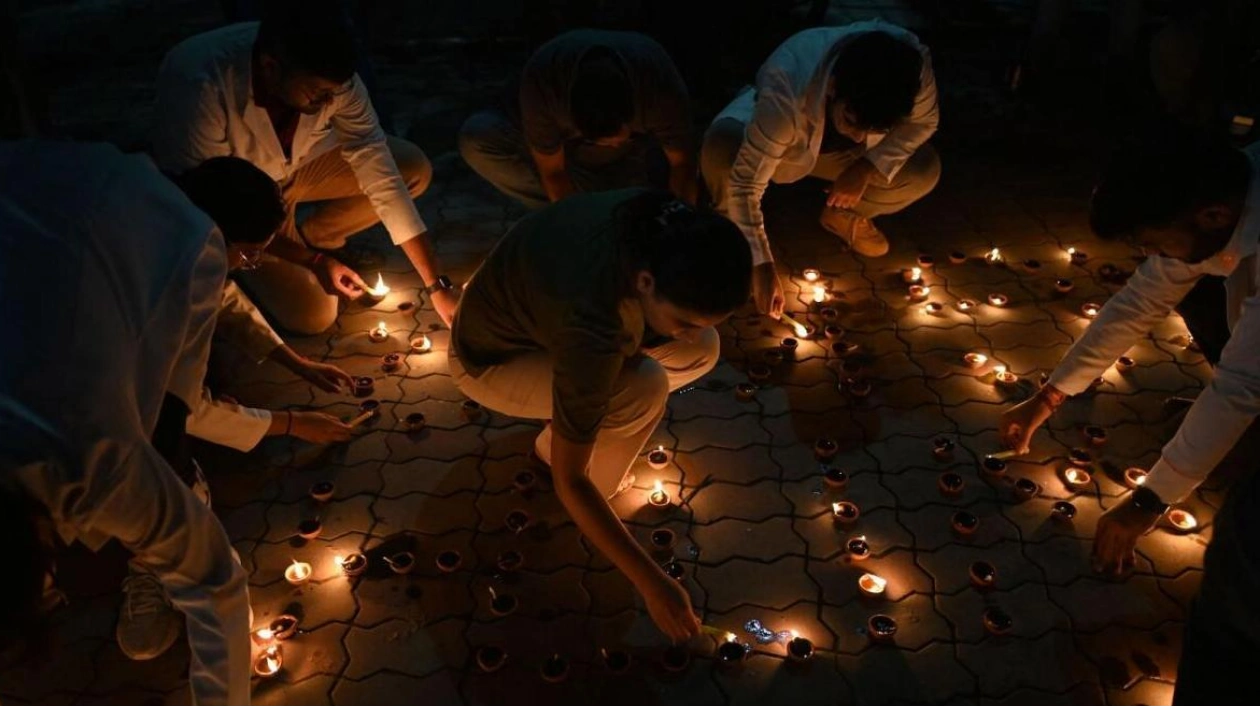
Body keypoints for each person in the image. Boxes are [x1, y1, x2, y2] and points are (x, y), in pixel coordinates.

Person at [997, 131, 1260, 704]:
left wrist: (1147, 502)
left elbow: (1243, 383)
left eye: (1150, 241)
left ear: (1213, 214)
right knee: (1195, 291)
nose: (1149, 256)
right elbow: (1139, 303)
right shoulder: (1219, 208)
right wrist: (1049, 397)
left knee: (1243, 565)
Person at [0, 141, 249, 705]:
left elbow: (215, 583)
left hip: (137, 217)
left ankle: (176, 489)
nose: (56, 593)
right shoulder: (81, 457)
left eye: (46, 590)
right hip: (44, 188)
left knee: (166, 414)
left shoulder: (90, 461)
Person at [448, 189, 752, 640]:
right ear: (646, 282)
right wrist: (653, 583)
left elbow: (681, 329)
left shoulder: (663, 224)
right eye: (685, 319)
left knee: (702, 350)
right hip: (491, 359)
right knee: (643, 388)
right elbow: (571, 482)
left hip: (543, 318)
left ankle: (570, 421)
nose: (688, 333)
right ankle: (550, 450)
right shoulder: (594, 321)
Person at [113, 156, 358, 665]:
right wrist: (293, 423)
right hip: (86, 379)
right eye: (248, 254)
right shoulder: (160, 281)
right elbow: (185, 408)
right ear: (214, 231)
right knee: (153, 460)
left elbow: (223, 297)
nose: (248, 267)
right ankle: (156, 555)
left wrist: (296, 362)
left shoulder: (180, 229)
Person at [153, 0, 458, 335]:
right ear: (271, 67)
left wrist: (435, 285)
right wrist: (311, 262)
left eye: (335, 92)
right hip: (242, 203)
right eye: (318, 94)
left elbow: (379, 168)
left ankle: (317, 237)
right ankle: (255, 264)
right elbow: (212, 208)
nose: (330, 103)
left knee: (410, 167)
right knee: (314, 316)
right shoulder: (200, 83)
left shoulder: (336, 81)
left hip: (299, 170)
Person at [701, 20, 940, 318]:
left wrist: (867, 166)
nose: (859, 137)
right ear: (833, 86)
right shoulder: (788, 84)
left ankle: (844, 212)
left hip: (835, 158)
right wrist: (761, 264)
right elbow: (746, 182)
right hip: (777, 138)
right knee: (722, 153)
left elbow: (924, 123)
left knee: (922, 168)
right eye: (851, 121)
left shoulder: (910, 68)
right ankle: (736, 243)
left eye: (874, 128)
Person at [458, 29, 696, 209]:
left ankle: (619, 202)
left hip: (634, 158)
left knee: (656, 190)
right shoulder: (544, 84)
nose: (611, 144)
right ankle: (589, 209)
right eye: (602, 141)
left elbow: (682, 164)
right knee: (478, 138)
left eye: (615, 139)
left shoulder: (658, 84)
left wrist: (680, 218)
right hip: (568, 155)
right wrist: (576, 223)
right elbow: (553, 173)